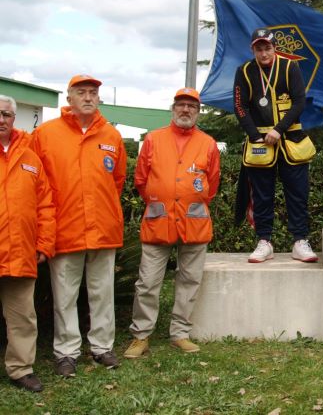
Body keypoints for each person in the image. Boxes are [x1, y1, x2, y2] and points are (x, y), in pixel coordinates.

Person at [32, 74, 127, 376]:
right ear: (68, 97)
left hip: (103, 229)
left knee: (102, 292)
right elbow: (35, 183)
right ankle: (66, 352)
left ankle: (102, 347)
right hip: (64, 229)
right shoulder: (45, 134)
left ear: (99, 99)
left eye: (93, 93)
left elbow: (118, 181)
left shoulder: (111, 136)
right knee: (65, 295)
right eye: (81, 92)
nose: (88, 97)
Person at [124, 88, 220, 358]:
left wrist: (189, 199)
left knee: (189, 280)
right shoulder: (153, 140)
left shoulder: (208, 143)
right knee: (147, 283)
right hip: (159, 221)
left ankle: (180, 333)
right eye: (181, 105)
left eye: (191, 106)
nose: (186, 110)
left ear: (198, 112)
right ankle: (141, 335)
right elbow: (141, 180)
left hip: (194, 223)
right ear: (173, 108)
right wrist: (161, 199)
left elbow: (211, 184)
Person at [233, 28, 318, 264]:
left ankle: (299, 240)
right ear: (253, 49)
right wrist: (254, 134)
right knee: (261, 195)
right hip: (260, 141)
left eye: (267, 48)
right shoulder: (245, 71)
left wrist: (278, 129)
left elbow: (300, 101)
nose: (264, 53)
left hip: (290, 138)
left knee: (298, 194)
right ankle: (264, 241)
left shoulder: (290, 67)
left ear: (274, 48)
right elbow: (240, 107)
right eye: (259, 49)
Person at [0, 95, 55, 392]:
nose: (1, 119)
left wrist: (44, 244)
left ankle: (21, 369)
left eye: (6, 114)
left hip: (21, 253)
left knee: (23, 317)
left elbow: (45, 205)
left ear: (14, 118)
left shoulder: (30, 158)